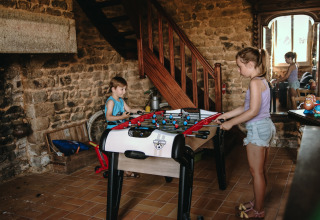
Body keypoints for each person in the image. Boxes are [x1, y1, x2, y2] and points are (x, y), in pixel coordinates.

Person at [215, 47, 276, 219]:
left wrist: (231, 124)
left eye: (239, 66)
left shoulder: (254, 83)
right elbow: (246, 107)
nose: (238, 70)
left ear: (250, 64)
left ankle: (258, 210)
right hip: (266, 126)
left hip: (257, 129)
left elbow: (253, 111)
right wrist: (225, 116)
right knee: (261, 171)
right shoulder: (262, 80)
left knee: (256, 172)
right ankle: (258, 202)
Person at [105, 76, 142, 178]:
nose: (124, 91)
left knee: (126, 148)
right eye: (122, 89)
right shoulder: (111, 101)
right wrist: (122, 116)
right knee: (122, 150)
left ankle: (128, 170)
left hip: (120, 129)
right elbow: (108, 117)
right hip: (112, 131)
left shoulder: (121, 100)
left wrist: (139, 110)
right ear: (113, 89)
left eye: (125, 89)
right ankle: (127, 171)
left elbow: (129, 110)